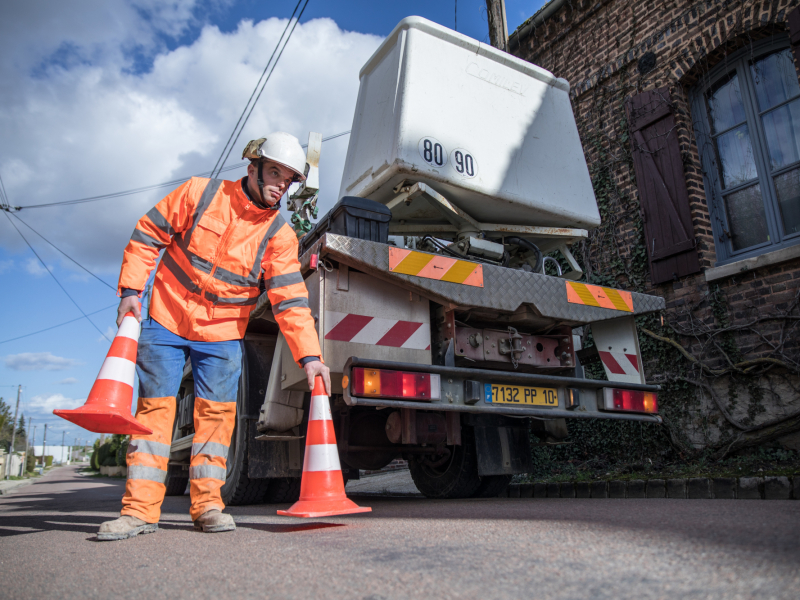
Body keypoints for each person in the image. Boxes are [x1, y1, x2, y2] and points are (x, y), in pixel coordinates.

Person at [98, 133, 330, 541]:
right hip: (165, 318)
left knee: (218, 418)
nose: (280, 183)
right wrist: (132, 293)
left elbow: (291, 302)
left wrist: (310, 357)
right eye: (274, 171)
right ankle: (138, 513)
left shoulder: (280, 235)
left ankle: (207, 507)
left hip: (221, 334)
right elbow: (147, 236)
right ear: (252, 167)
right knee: (154, 413)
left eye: (289, 178)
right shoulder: (199, 193)